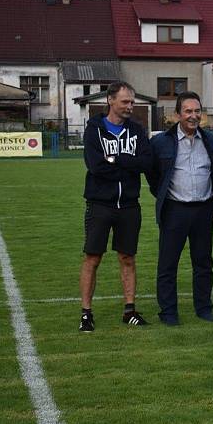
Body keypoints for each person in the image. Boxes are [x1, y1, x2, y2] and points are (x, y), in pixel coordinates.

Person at [146, 91, 213, 325]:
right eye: (188, 111)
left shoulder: (210, 141)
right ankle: (168, 312)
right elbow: (153, 175)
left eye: (197, 111)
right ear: (177, 115)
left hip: (203, 209)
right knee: (168, 263)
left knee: (203, 262)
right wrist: (163, 195)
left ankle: (203, 308)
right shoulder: (161, 142)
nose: (193, 116)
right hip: (175, 210)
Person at [78, 81, 152, 332]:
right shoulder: (93, 130)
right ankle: (86, 313)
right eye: (125, 102)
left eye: (132, 102)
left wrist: (116, 159)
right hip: (100, 205)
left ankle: (129, 310)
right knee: (92, 258)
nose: (130, 106)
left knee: (127, 258)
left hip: (130, 205)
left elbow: (146, 162)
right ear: (110, 100)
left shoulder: (137, 131)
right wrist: (126, 163)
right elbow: (95, 166)